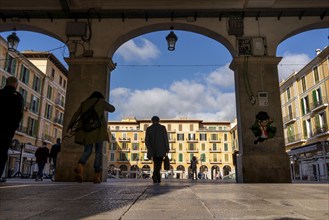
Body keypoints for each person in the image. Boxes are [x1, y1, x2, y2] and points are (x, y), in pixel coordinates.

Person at [67, 91, 115, 183]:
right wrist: (103, 104)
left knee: (87, 151)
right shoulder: (101, 102)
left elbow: (75, 115)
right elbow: (112, 109)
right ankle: (96, 176)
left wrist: (69, 126)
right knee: (98, 152)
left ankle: (80, 166)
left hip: (87, 131)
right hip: (98, 131)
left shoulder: (84, 103)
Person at [0, 76, 23, 182]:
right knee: (3, 151)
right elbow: (19, 113)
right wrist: (15, 125)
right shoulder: (17, 96)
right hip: (8, 128)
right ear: (15, 84)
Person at [145, 116, 169, 183]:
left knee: (156, 163)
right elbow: (165, 139)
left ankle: (158, 178)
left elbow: (147, 140)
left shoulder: (149, 129)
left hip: (152, 149)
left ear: (152, 121)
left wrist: (149, 148)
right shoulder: (162, 128)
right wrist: (167, 148)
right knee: (159, 164)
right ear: (159, 120)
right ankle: (155, 175)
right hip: (161, 149)